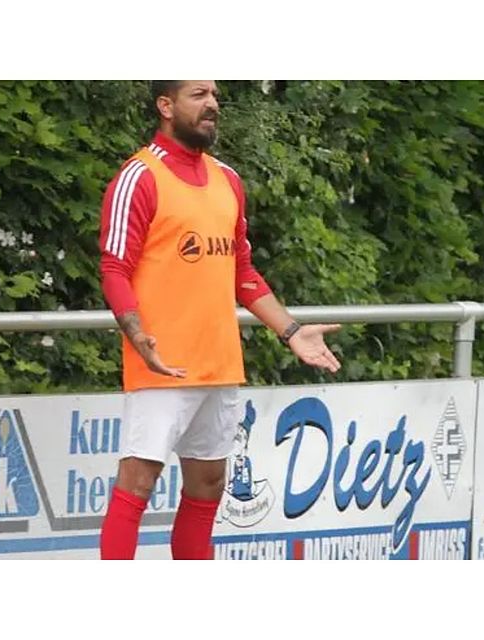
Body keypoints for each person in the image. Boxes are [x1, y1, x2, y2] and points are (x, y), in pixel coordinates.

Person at [97, 81, 341, 559]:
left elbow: (242, 272)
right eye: (197, 94)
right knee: (138, 482)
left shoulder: (227, 178)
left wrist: (290, 330)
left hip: (219, 362)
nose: (211, 104)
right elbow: (114, 267)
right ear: (165, 106)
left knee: (208, 484)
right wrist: (137, 332)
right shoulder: (140, 175)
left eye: (215, 95)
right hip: (163, 363)